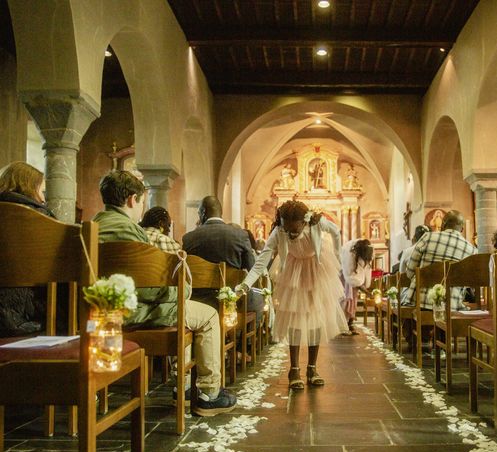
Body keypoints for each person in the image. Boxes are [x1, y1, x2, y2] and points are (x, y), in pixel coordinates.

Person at [93, 171, 235, 416]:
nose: (141, 210)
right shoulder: (132, 233)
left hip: (94, 316)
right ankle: (208, 394)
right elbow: (148, 290)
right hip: (132, 315)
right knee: (209, 315)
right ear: (131, 200)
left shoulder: (89, 228)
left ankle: (188, 387)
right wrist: (182, 292)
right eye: (141, 201)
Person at [234, 200, 348, 390]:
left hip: (316, 268)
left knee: (316, 318)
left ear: (304, 222)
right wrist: (245, 285)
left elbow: (336, 232)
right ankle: (294, 369)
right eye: (288, 230)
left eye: (295, 230)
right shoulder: (279, 232)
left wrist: (336, 256)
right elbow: (261, 261)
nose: (291, 234)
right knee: (294, 320)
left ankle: (312, 368)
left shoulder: (316, 223)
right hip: (294, 271)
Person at [182, 196, 263, 322]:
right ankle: (244, 339)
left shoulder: (189, 238)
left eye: (199, 213)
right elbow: (251, 268)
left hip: (199, 299)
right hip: (233, 299)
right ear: (221, 213)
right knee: (259, 298)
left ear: (203, 213)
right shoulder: (240, 235)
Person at [0, 162, 54, 337]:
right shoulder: (42, 219)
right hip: (29, 316)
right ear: (30, 188)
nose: (43, 199)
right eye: (41, 191)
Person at [404, 210, 476, 310]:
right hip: (452, 306)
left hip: (421, 303)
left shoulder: (427, 237)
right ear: (462, 229)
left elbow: (410, 272)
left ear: (443, 224)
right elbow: (469, 283)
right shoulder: (472, 250)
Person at [341, 238, 373, 335]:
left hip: (354, 278)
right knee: (346, 300)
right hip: (345, 276)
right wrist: (366, 291)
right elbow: (351, 277)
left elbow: (366, 270)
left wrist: (366, 285)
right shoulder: (350, 254)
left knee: (353, 300)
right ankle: (343, 326)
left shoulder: (368, 253)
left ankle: (350, 324)